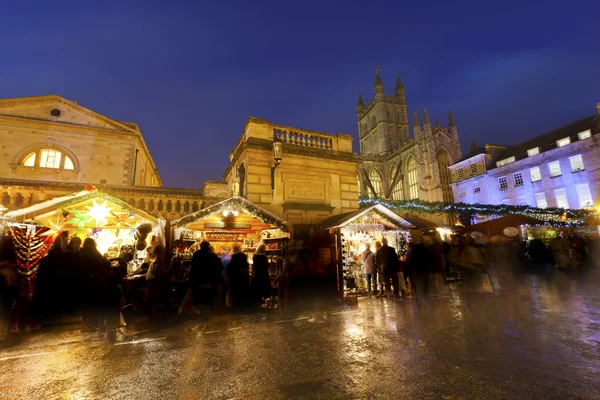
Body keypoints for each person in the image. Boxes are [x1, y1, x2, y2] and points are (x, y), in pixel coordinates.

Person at [79, 238, 114, 340]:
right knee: (98, 306)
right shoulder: (94, 253)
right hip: (96, 283)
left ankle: (91, 325)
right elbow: (105, 263)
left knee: (90, 305)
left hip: (87, 284)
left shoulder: (82, 254)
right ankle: (98, 325)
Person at [189, 240, 224, 308]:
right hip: (210, 282)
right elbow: (220, 268)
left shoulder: (196, 254)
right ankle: (208, 314)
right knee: (209, 301)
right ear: (208, 246)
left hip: (198, 281)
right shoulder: (212, 255)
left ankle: (200, 314)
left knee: (199, 301)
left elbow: (193, 268)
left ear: (200, 246)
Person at [226, 243, 250, 310]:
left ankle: (235, 307)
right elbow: (247, 267)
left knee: (235, 294)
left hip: (235, 279)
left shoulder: (234, 256)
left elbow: (230, 268)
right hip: (243, 279)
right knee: (242, 293)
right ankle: (242, 307)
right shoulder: (243, 256)